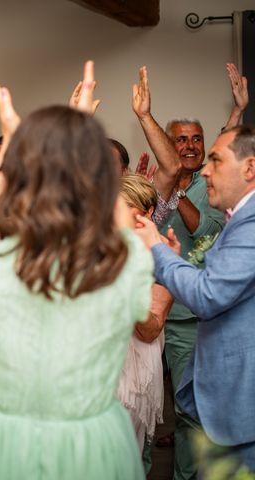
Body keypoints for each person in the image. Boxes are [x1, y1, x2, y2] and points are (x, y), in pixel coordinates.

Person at [0, 63, 153, 479]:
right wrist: (80, 141)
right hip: (88, 447)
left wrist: (15, 149)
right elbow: (119, 219)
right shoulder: (121, 266)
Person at [135, 124, 255, 472]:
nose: (205, 170)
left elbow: (208, 294)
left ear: (249, 169)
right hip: (226, 402)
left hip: (241, 405)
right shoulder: (242, 219)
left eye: (216, 160)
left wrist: (159, 250)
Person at [132, 65, 225, 479]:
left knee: (188, 409)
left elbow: (202, 229)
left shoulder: (215, 184)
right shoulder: (155, 191)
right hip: (140, 316)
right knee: (139, 406)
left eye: (195, 139)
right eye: (180, 140)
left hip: (189, 316)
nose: (188, 147)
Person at [116, 173, 174, 454]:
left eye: (125, 206)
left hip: (134, 368)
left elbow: (150, 329)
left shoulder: (162, 258)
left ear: (147, 212)